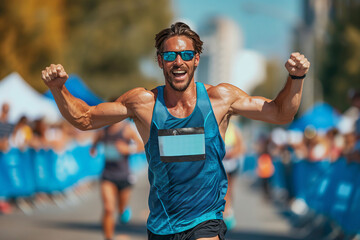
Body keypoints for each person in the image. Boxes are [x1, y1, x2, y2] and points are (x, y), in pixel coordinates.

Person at [41, 22, 310, 240]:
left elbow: (281, 113)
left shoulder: (221, 100)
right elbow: (85, 119)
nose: (178, 61)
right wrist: (58, 89)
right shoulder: (143, 104)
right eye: (170, 56)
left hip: (206, 221)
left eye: (185, 55)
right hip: (162, 226)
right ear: (160, 61)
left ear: (196, 59)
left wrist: (295, 79)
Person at [90, 120, 144, 240]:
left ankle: (123, 210)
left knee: (121, 208)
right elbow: (95, 141)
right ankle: (108, 237)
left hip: (124, 176)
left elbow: (142, 146)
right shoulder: (103, 130)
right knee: (108, 209)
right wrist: (93, 148)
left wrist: (128, 149)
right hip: (107, 175)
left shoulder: (127, 128)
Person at [222, 120, 245, 230]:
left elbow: (241, 147)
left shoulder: (234, 128)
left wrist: (231, 154)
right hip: (220, 163)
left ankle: (228, 212)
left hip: (230, 164)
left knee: (228, 189)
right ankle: (225, 212)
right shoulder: (214, 124)